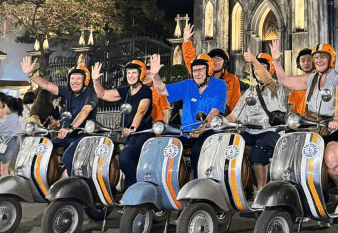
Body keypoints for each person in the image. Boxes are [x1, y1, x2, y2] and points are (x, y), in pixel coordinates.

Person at [270, 39, 338, 216]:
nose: (318, 61)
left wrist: (336, 118)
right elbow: (284, 80)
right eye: (316, 57)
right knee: (298, 158)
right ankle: (308, 197)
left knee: (331, 158)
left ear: (331, 59)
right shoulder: (310, 79)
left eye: (323, 57)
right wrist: (276, 62)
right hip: (315, 128)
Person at [147, 52, 227, 177]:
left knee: (197, 153)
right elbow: (162, 90)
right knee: (165, 149)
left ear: (210, 70)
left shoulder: (219, 85)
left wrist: (202, 128)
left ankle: (199, 185)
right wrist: (155, 75)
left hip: (209, 131)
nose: (197, 73)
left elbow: (215, 111)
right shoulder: (188, 84)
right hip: (186, 132)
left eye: (200, 69)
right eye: (194, 70)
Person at [21, 57, 97, 175]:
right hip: (67, 135)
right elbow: (47, 85)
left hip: (83, 135)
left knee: (68, 156)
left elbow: (84, 112)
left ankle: (75, 183)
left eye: (78, 78)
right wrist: (31, 75)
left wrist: (70, 127)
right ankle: (47, 180)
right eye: (72, 78)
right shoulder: (68, 91)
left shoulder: (91, 93)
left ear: (85, 80)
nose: (74, 81)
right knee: (43, 147)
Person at [229, 49, 288, 189]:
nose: (258, 71)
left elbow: (268, 81)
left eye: (262, 68)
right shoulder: (249, 91)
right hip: (249, 131)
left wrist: (254, 61)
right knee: (230, 146)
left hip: (270, 131)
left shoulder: (276, 87)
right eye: (255, 69)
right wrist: (213, 123)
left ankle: (261, 191)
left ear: (270, 70)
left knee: (258, 151)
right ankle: (241, 188)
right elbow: (233, 115)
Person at [91, 60, 153, 189]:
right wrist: (95, 81)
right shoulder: (125, 91)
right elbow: (102, 94)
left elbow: (141, 110)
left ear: (141, 74)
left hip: (142, 133)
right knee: (102, 150)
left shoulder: (146, 91)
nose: (130, 75)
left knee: (125, 156)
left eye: (134, 72)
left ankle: (134, 187)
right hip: (126, 133)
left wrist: (132, 128)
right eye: (128, 72)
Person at [182, 22, 241, 113]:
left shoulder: (232, 80)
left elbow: (236, 103)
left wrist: (232, 120)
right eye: (212, 58)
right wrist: (187, 42)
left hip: (222, 119)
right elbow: (191, 62)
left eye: (218, 59)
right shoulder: (201, 76)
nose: (214, 61)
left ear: (225, 63)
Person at [0, 95, 23, 176]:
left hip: (7, 144)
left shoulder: (11, 118)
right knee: (8, 169)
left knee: (3, 170)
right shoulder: (17, 116)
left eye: (6, 106)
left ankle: (7, 186)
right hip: (12, 143)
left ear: (10, 107)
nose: (5, 108)